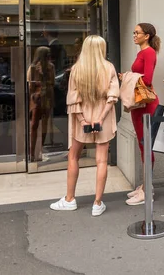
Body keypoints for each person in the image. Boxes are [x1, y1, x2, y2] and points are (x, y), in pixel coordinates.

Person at [50, 35, 119, 216]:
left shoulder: (76, 69)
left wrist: (83, 121)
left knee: (73, 156)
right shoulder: (109, 68)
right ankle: (97, 203)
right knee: (102, 160)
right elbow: (112, 97)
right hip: (102, 120)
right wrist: (101, 119)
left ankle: (70, 199)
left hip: (82, 120)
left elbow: (73, 99)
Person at [127, 23, 161, 206]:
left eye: (137, 33)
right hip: (140, 104)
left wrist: (128, 77)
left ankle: (148, 190)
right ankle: (145, 186)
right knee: (143, 146)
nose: (134, 35)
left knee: (146, 147)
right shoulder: (142, 52)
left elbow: (147, 80)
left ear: (146, 36)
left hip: (146, 105)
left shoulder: (148, 53)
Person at [27, 47, 55, 162]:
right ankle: (32, 152)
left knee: (42, 125)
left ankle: (38, 151)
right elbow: (30, 84)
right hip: (37, 97)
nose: (49, 56)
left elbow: (52, 82)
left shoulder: (50, 67)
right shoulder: (33, 68)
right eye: (47, 54)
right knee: (35, 124)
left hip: (45, 96)